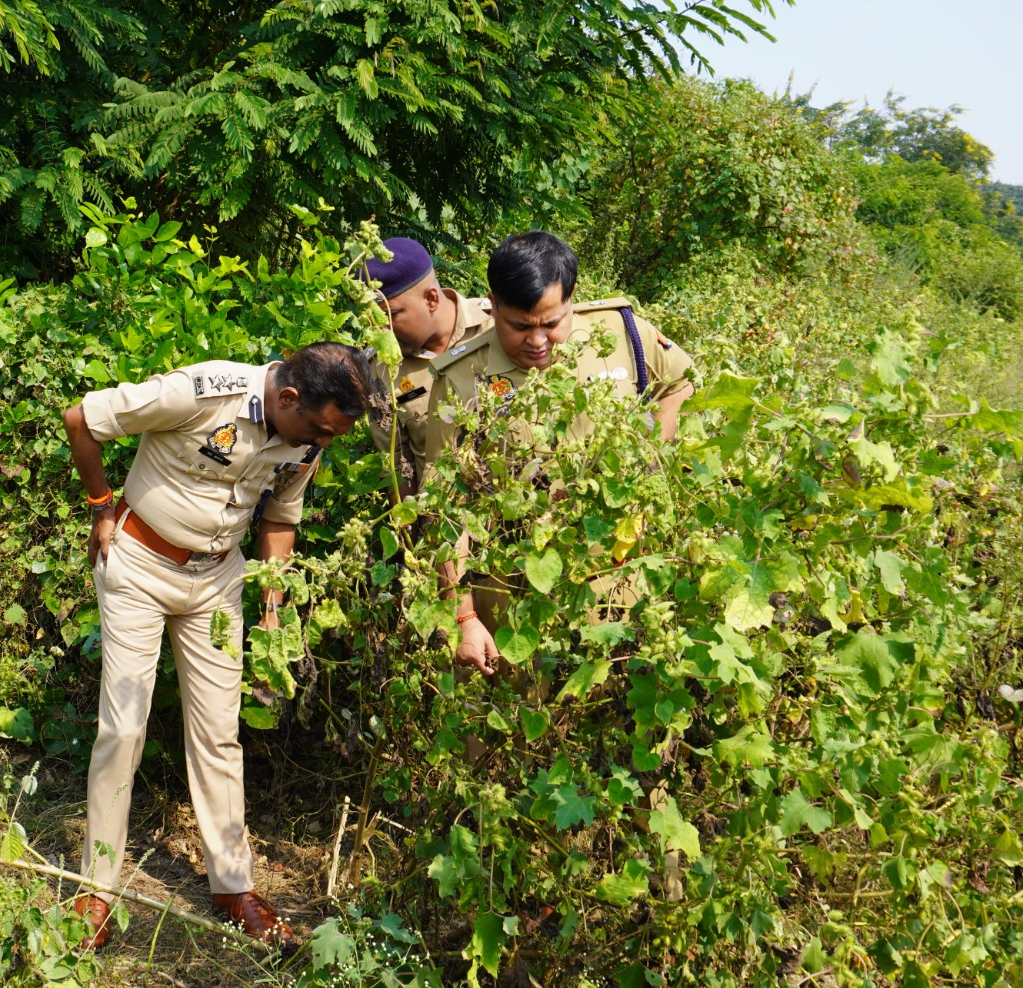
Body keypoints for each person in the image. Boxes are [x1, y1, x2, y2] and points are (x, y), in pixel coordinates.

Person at [61, 342, 376, 948]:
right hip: (140, 567)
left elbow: (280, 518)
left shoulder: (310, 433)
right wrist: (101, 506)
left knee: (218, 732)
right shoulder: (203, 392)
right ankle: (96, 891)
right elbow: (84, 420)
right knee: (123, 729)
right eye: (319, 428)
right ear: (287, 398)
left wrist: (273, 607)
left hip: (219, 581)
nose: (323, 443)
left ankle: (233, 886)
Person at [421, 231, 695, 679]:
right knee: (514, 717)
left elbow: (682, 382)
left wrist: (650, 455)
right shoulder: (460, 377)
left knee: (612, 702)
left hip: (615, 575)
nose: (538, 341)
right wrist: (464, 618)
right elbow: (443, 507)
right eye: (520, 326)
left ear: (571, 299)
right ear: (491, 304)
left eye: (552, 323)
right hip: (511, 588)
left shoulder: (622, 332)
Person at [363, 237, 495, 498]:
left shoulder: (496, 327)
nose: (381, 331)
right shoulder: (382, 368)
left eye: (391, 315)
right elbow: (397, 466)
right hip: (442, 524)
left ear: (431, 299)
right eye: (373, 320)